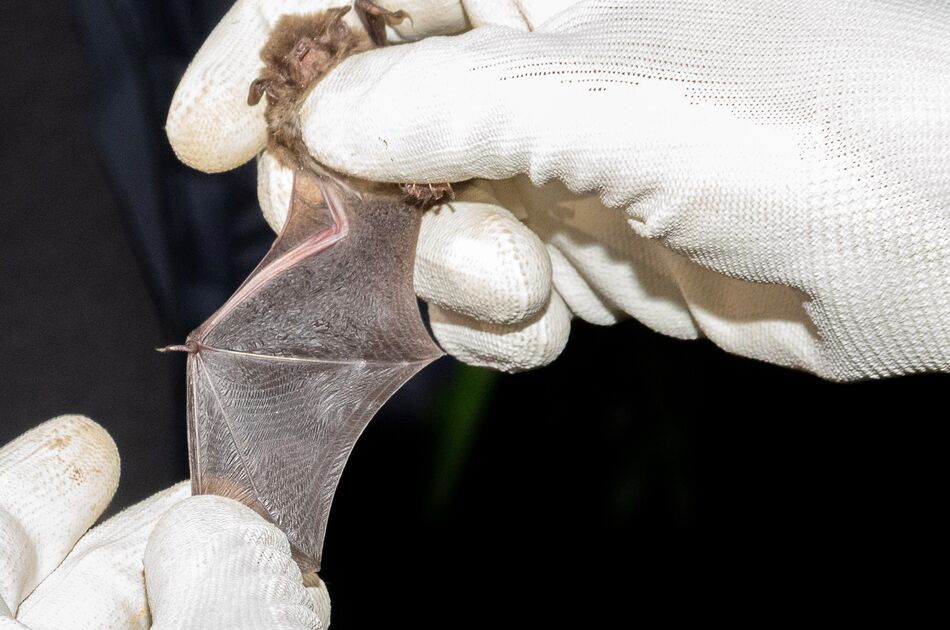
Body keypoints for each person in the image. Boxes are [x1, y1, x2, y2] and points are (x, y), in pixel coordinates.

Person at [3, 1, 947, 627]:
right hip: (367, 210)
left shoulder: (381, 35)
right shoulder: (293, 124)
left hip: (433, 184)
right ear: (273, 90)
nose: (312, 59)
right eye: (297, 61)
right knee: (224, 347)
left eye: (324, 43)